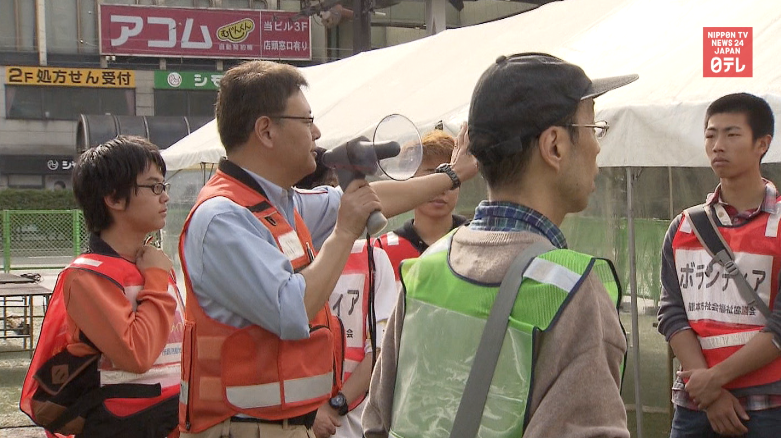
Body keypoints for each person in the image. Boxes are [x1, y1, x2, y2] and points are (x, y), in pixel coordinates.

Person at [178, 60, 477, 438]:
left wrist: (453, 175)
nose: (317, 133)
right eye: (307, 121)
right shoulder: (222, 218)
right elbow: (292, 310)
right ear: (266, 130)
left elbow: (373, 198)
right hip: (242, 429)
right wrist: (346, 230)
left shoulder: (279, 205)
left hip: (283, 426)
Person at [362, 53, 638, 438]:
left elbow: (377, 424)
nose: (597, 146)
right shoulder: (572, 292)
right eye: (593, 127)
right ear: (555, 146)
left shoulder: (427, 268)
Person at [20, 136, 183, 438]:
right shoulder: (87, 276)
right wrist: (156, 278)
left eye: (164, 186)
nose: (165, 197)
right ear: (114, 199)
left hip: (171, 420)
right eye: (154, 187)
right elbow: (136, 354)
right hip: (122, 425)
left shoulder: (153, 265)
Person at [657, 93, 781, 437]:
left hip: (769, 405)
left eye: (732, 134)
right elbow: (671, 311)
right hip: (696, 404)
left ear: (762, 144)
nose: (717, 145)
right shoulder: (684, 227)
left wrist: (714, 380)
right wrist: (708, 392)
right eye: (710, 135)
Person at [295, 161, 399, 438]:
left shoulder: (373, 258)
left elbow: (380, 349)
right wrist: (309, 414)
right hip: (295, 425)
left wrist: (334, 405)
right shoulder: (284, 257)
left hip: (354, 424)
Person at [374, 129, 467, 282]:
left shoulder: (477, 242)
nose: (442, 187)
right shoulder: (380, 250)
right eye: (431, 175)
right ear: (409, 179)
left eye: (451, 176)